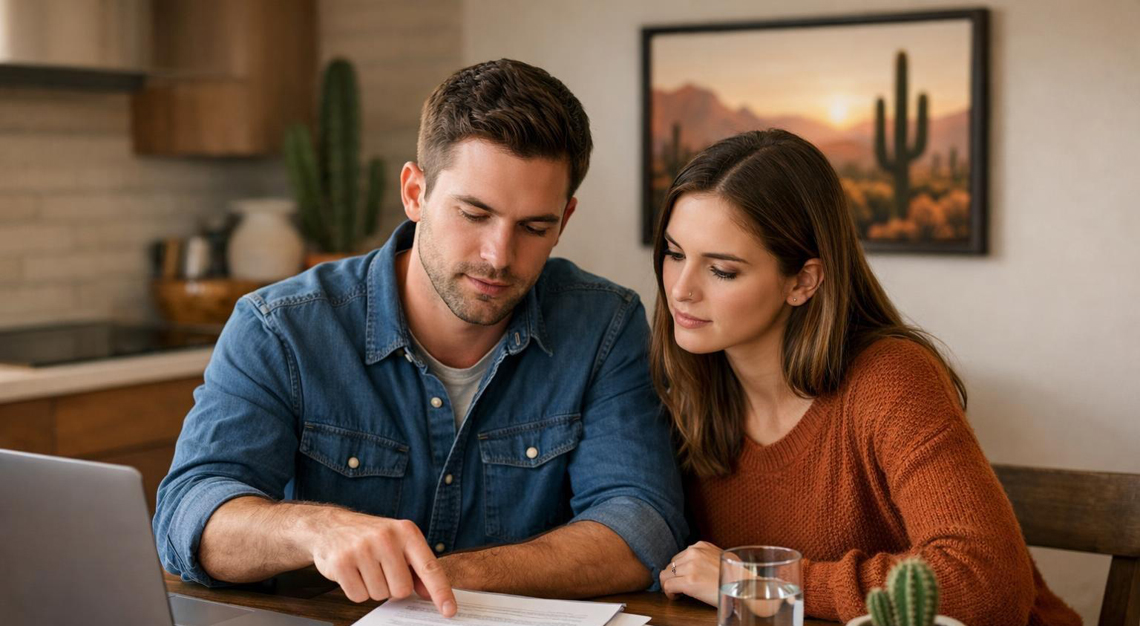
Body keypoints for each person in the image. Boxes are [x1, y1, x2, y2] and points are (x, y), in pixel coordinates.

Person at [154, 59, 686, 618]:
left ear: (566, 218)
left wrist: (443, 578)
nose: (498, 257)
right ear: (415, 192)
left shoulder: (605, 323)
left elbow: (642, 523)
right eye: (474, 214)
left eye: (534, 228)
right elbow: (189, 517)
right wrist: (316, 528)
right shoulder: (280, 327)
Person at [650, 129, 1080, 626]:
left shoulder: (891, 379)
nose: (680, 290)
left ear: (803, 281)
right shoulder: (682, 386)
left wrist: (759, 583)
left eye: (722, 270)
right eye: (675, 253)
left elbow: (986, 583)